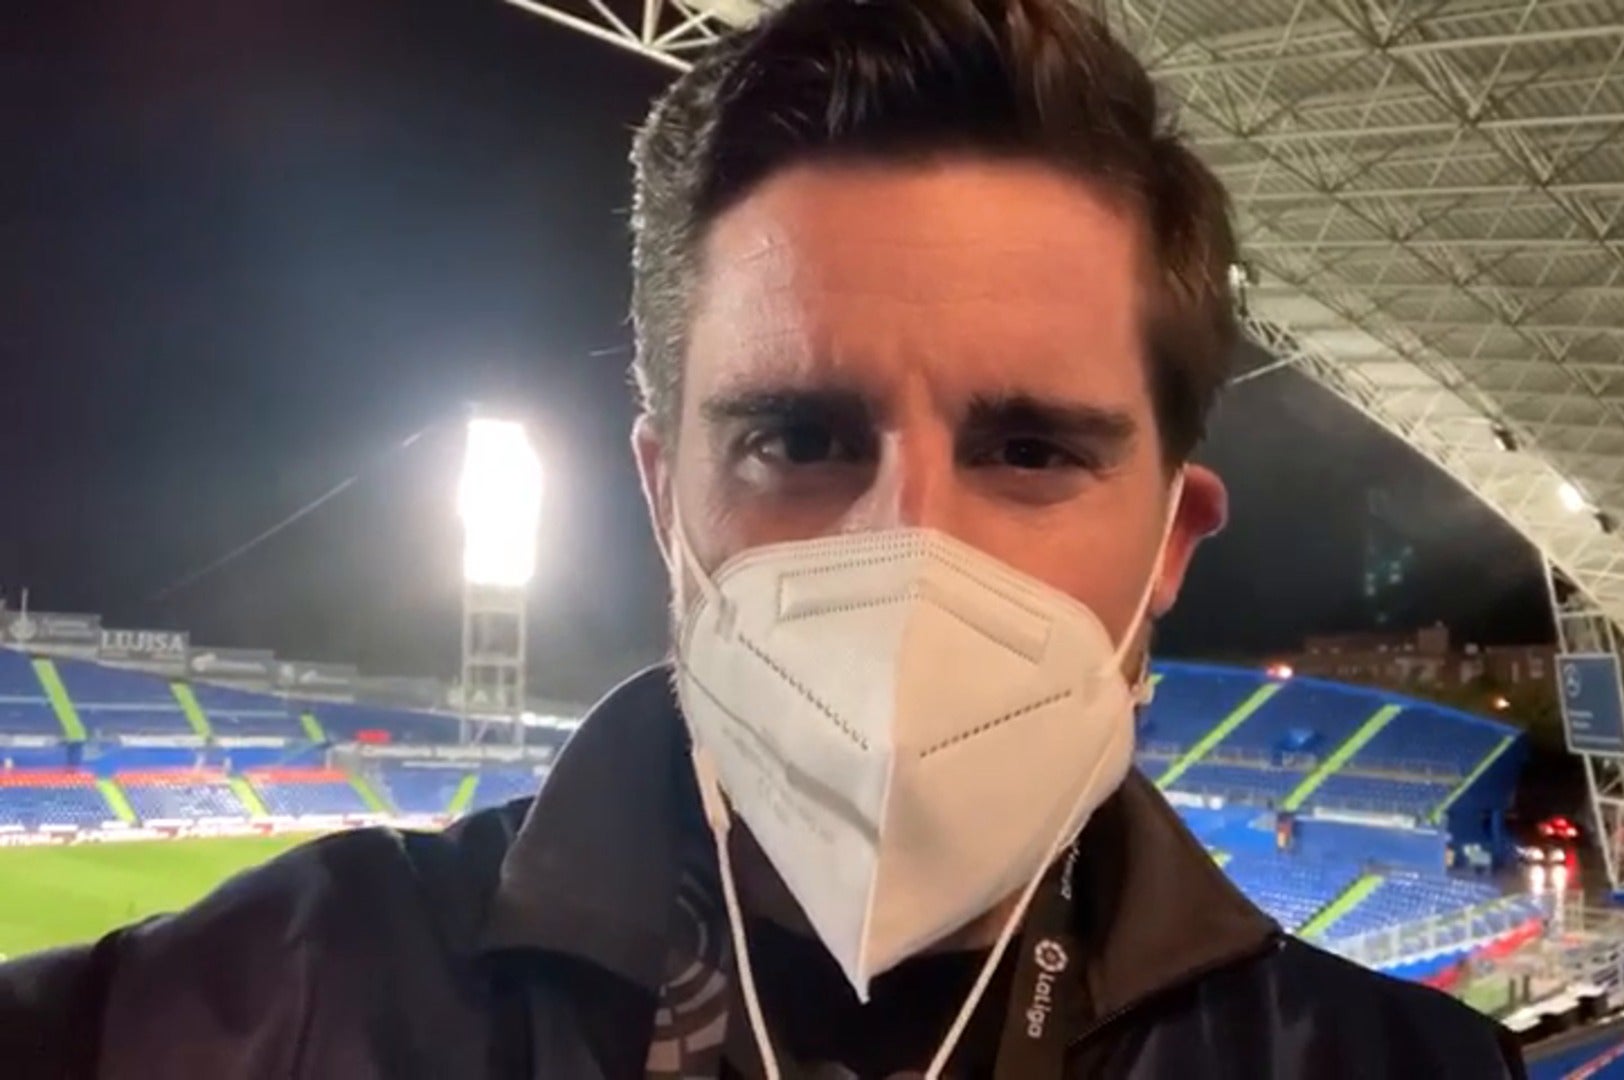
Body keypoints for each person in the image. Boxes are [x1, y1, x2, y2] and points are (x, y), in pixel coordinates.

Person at [0, 0, 1527, 1075]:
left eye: (1031, 451)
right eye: (798, 440)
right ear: (660, 495)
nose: (910, 547)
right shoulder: (282, 1007)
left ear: (1173, 543)